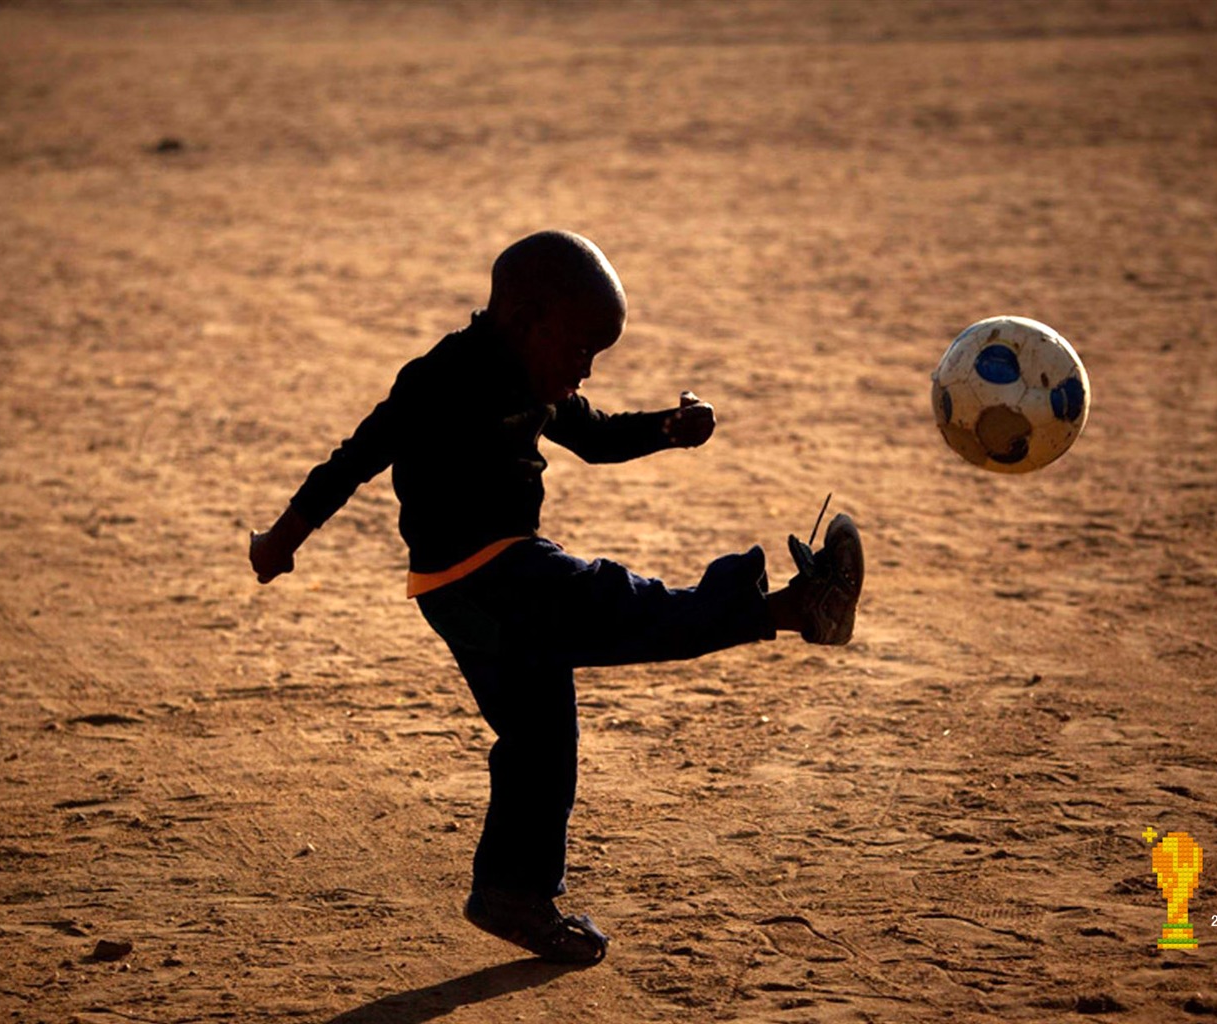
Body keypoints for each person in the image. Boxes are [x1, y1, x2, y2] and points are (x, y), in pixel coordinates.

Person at [249, 230, 863, 965]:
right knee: (627, 606)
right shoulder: (440, 378)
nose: (585, 372)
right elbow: (352, 460)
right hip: (487, 574)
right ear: (523, 321)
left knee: (542, 744)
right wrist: (279, 540)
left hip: (473, 589)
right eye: (580, 352)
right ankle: (791, 607)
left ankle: (512, 895)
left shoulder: (540, 377)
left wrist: (670, 428)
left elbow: (598, 438)